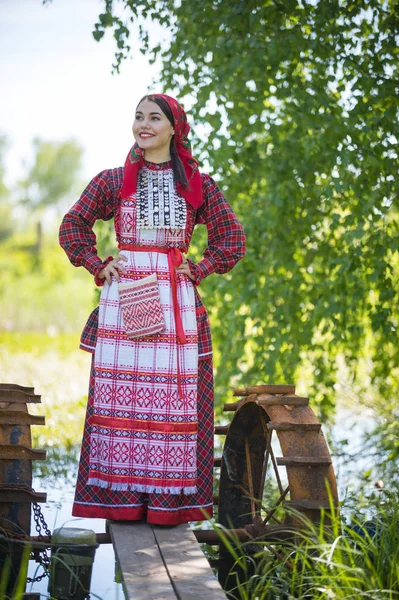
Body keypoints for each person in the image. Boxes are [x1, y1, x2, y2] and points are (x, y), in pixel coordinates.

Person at [59, 93, 246, 525]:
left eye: (154, 118)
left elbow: (231, 239)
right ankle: (122, 504)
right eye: (138, 117)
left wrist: (199, 268)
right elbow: (73, 225)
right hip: (125, 297)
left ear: (173, 128)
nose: (144, 125)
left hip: (174, 297)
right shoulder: (112, 180)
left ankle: (166, 507)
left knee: (169, 399)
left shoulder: (197, 184)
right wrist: (97, 263)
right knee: (121, 397)